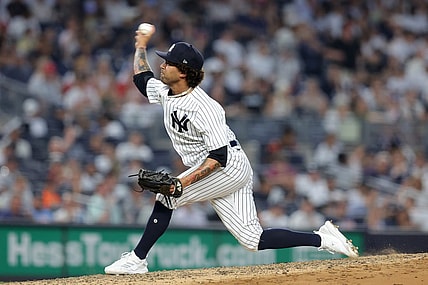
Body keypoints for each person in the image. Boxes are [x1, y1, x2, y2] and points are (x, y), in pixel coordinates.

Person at [104, 23, 358, 275]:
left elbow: (219, 157)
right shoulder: (165, 92)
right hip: (217, 168)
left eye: (168, 62)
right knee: (253, 240)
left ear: (183, 72)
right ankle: (323, 239)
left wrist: (183, 183)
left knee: (168, 196)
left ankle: (137, 259)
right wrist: (140, 45)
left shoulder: (205, 107)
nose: (162, 65)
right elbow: (140, 77)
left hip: (227, 167)